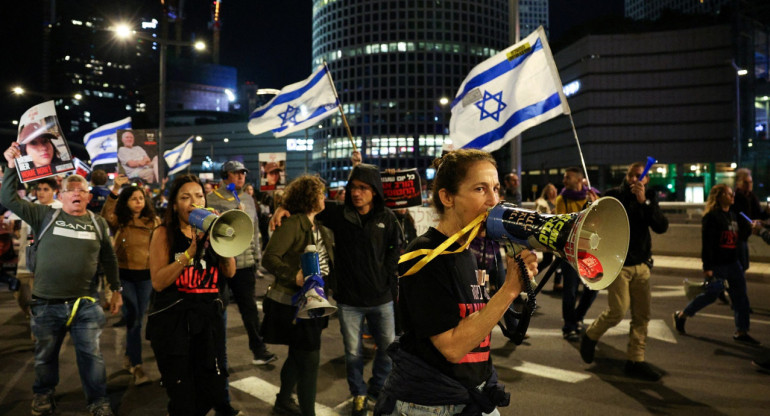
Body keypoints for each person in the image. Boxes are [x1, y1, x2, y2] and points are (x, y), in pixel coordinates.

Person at [374, 149, 538, 415]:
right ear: (447, 197)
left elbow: (474, 321)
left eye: (496, 188)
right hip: (433, 405)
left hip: (472, 395)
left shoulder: (465, 250)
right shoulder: (426, 257)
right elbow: (452, 347)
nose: (494, 200)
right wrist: (509, 290)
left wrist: (517, 279)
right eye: (480, 189)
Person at [271, 161, 400, 416]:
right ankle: (359, 394)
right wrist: (282, 208)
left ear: (374, 190)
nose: (356, 192)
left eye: (363, 187)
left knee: (387, 351)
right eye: (353, 187)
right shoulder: (339, 214)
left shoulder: (388, 218)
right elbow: (304, 201)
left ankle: (377, 391)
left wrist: (388, 280)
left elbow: (395, 251)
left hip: (382, 299)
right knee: (352, 355)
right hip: (348, 302)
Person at [2, 142, 122, 416]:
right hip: (46, 304)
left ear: (89, 197)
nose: (77, 193)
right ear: (61, 195)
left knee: (92, 358)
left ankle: (98, 401)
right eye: (71, 189)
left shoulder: (98, 223)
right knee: (45, 358)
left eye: (82, 189)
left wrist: (116, 289)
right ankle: (43, 395)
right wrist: (11, 168)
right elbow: (9, 199)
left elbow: (109, 259)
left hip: (86, 305)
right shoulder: (44, 214)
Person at [146, 175, 237, 415]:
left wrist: (224, 243)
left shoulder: (210, 233)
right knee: (183, 396)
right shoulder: (164, 234)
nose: (193, 202)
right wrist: (188, 253)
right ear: (174, 205)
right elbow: (158, 280)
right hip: (175, 325)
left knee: (210, 390)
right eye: (185, 197)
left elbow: (229, 271)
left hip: (207, 322)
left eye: (198, 196)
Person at [580, 162, 669, 381]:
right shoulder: (613, 196)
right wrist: (592, 206)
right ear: (626, 176)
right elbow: (594, 225)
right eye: (632, 175)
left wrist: (645, 202)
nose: (635, 180)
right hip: (619, 264)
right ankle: (590, 335)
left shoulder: (649, 197)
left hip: (642, 265)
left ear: (646, 180)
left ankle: (635, 360)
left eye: (640, 176)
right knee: (618, 311)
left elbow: (661, 226)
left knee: (642, 315)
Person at [262, 175, 335, 416]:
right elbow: (269, 257)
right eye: (320, 193)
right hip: (297, 305)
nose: (324, 197)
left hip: (316, 300)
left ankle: (283, 400)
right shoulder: (294, 223)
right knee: (310, 361)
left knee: (297, 356)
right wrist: (293, 275)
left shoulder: (319, 226)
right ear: (309, 198)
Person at [207, 161, 275, 366]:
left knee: (250, 308)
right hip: (222, 262)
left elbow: (254, 230)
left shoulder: (248, 198)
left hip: (245, 263)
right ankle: (214, 352)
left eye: (243, 173)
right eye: (236, 173)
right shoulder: (212, 198)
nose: (240, 177)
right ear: (225, 175)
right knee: (218, 307)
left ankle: (259, 349)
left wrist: (257, 257)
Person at [673, 184, 759, 345]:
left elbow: (739, 238)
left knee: (741, 297)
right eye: (728, 194)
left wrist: (754, 227)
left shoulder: (733, 215)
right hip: (718, 265)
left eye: (732, 193)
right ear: (719, 197)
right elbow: (708, 244)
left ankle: (742, 331)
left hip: (734, 264)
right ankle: (682, 315)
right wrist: (708, 268)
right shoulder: (711, 217)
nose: (732, 196)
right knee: (711, 295)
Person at [101, 174, 160, 386]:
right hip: (123, 277)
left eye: (141, 198)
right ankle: (137, 365)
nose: (138, 202)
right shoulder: (121, 221)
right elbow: (107, 215)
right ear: (126, 202)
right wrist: (115, 190)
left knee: (137, 320)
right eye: (133, 198)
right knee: (134, 318)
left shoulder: (154, 221)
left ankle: (129, 356)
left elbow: (161, 246)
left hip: (145, 277)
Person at [9, 178, 62, 319]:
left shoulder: (61, 209)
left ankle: (38, 324)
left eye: (46, 189)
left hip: (48, 263)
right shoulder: (29, 207)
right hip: (26, 261)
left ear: (54, 191)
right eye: (39, 189)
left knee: (40, 298)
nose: (41, 192)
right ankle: (34, 317)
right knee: (21, 295)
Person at [556, 167, 598, 341]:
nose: (564, 180)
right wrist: (586, 207)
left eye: (568, 177)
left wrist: (595, 205)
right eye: (564, 177)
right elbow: (565, 222)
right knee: (570, 291)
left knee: (593, 286)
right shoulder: (562, 199)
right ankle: (569, 326)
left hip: (588, 251)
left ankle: (578, 316)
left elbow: (598, 222)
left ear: (580, 180)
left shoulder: (594, 196)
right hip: (569, 251)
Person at [731, 168, 769, 271]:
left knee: (744, 265)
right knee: (741, 266)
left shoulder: (751, 197)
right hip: (737, 236)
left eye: (750, 182)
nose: (749, 185)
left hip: (745, 235)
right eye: (745, 182)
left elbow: (758, 215)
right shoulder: (734, 198)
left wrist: (766, 213)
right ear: (738, 183)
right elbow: (738, 216)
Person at [534, 183, 560, 291]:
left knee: (553, 260)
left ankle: (557, 283)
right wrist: (550, 213)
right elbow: (538, 215)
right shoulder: (542, 202)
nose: (554, 192)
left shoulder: (558, 201)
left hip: (556, 234)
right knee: (549, 260)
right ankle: (528, 277)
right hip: (547, 234)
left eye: (555, 190)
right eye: (551, 190)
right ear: (547, 192)